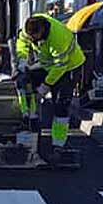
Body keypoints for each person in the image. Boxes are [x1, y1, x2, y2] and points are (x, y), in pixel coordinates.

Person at [15, 14, 86, 164]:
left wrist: (45, 86)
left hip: (69, 67)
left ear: (42, 31)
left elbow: (60, 66)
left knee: (60, 105)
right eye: (31, 38)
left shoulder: (58, 39)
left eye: (35, 38)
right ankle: (29, 118)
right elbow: (22, 42)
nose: (32, 41)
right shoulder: (30, 27)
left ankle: (58, 145)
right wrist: (22, 58)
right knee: (23, 80)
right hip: (48, 65)